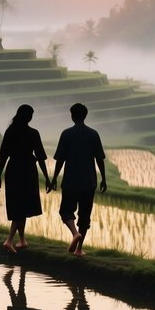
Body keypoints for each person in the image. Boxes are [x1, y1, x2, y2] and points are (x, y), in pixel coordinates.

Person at [49, 102, 106, 256]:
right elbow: (99, 159)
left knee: (66, 211)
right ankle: (79, 249)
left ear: (73, 116)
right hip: (89, 181)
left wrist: (54, 178)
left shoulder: (66, 134)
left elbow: (60, 160)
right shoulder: (93, 134)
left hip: (70, 181)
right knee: (85, 215)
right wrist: (104, 179)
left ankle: (74, 233)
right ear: (85, 116)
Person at [0, 103, 51, 252]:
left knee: (19, 204)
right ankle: (9, 240)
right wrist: (47, 178)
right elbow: (40, 158)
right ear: (29, 117)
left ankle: (22, 240)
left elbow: (4, 156)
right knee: (22, 205)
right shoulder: (33, 133)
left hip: (13, 170)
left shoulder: (10, 131)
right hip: (27, 171)